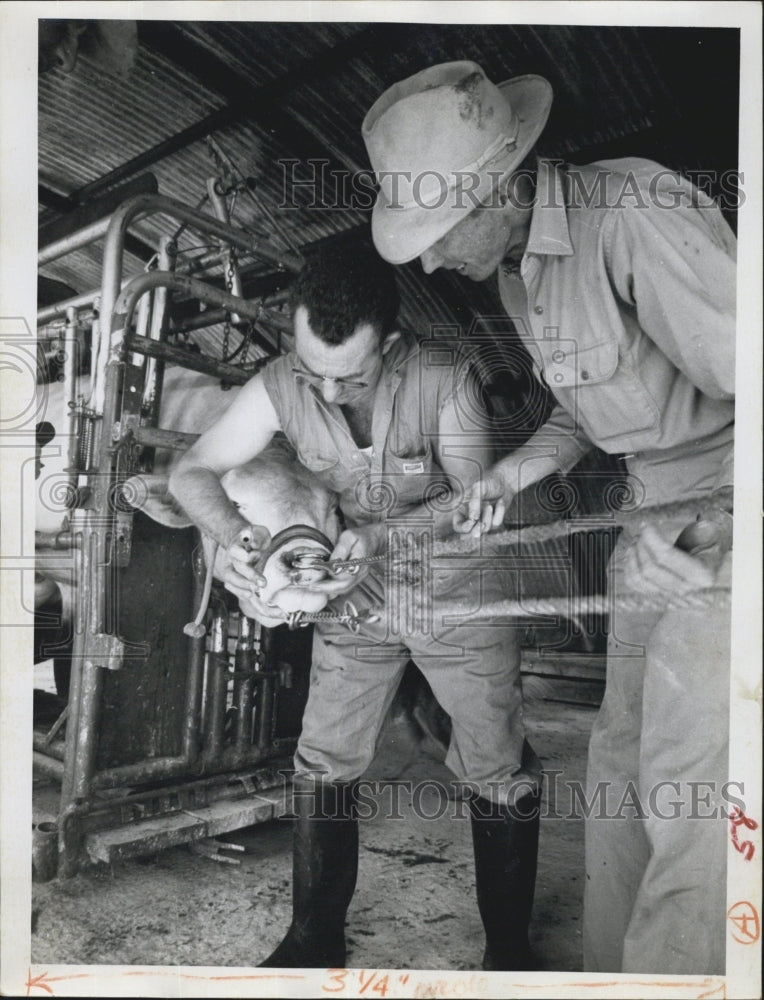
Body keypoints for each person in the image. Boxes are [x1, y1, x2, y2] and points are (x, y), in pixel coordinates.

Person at [361, 61, 736, 975]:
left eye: (437, 234)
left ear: (498, 188)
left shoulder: (635, 213)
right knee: (617, 771)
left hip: (725, 510)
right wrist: (510, 479)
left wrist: (716, 528)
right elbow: (583, 409)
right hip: (649, 511)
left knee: (693, 794)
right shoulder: (520, 275)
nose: (430, 263)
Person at [169, 241, 543, 971]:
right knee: (324, 757)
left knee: (496, 763)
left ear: (392, 347)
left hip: (457, 589)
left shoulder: (446, 372)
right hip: (357, 589)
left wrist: (376, 535)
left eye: (350, 377)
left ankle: (507, 952)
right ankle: (313, 940)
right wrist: (235, 538)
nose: (328, 392)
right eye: (313, 373)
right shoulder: (282, 381)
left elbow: (468, 504)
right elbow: (192, 471)